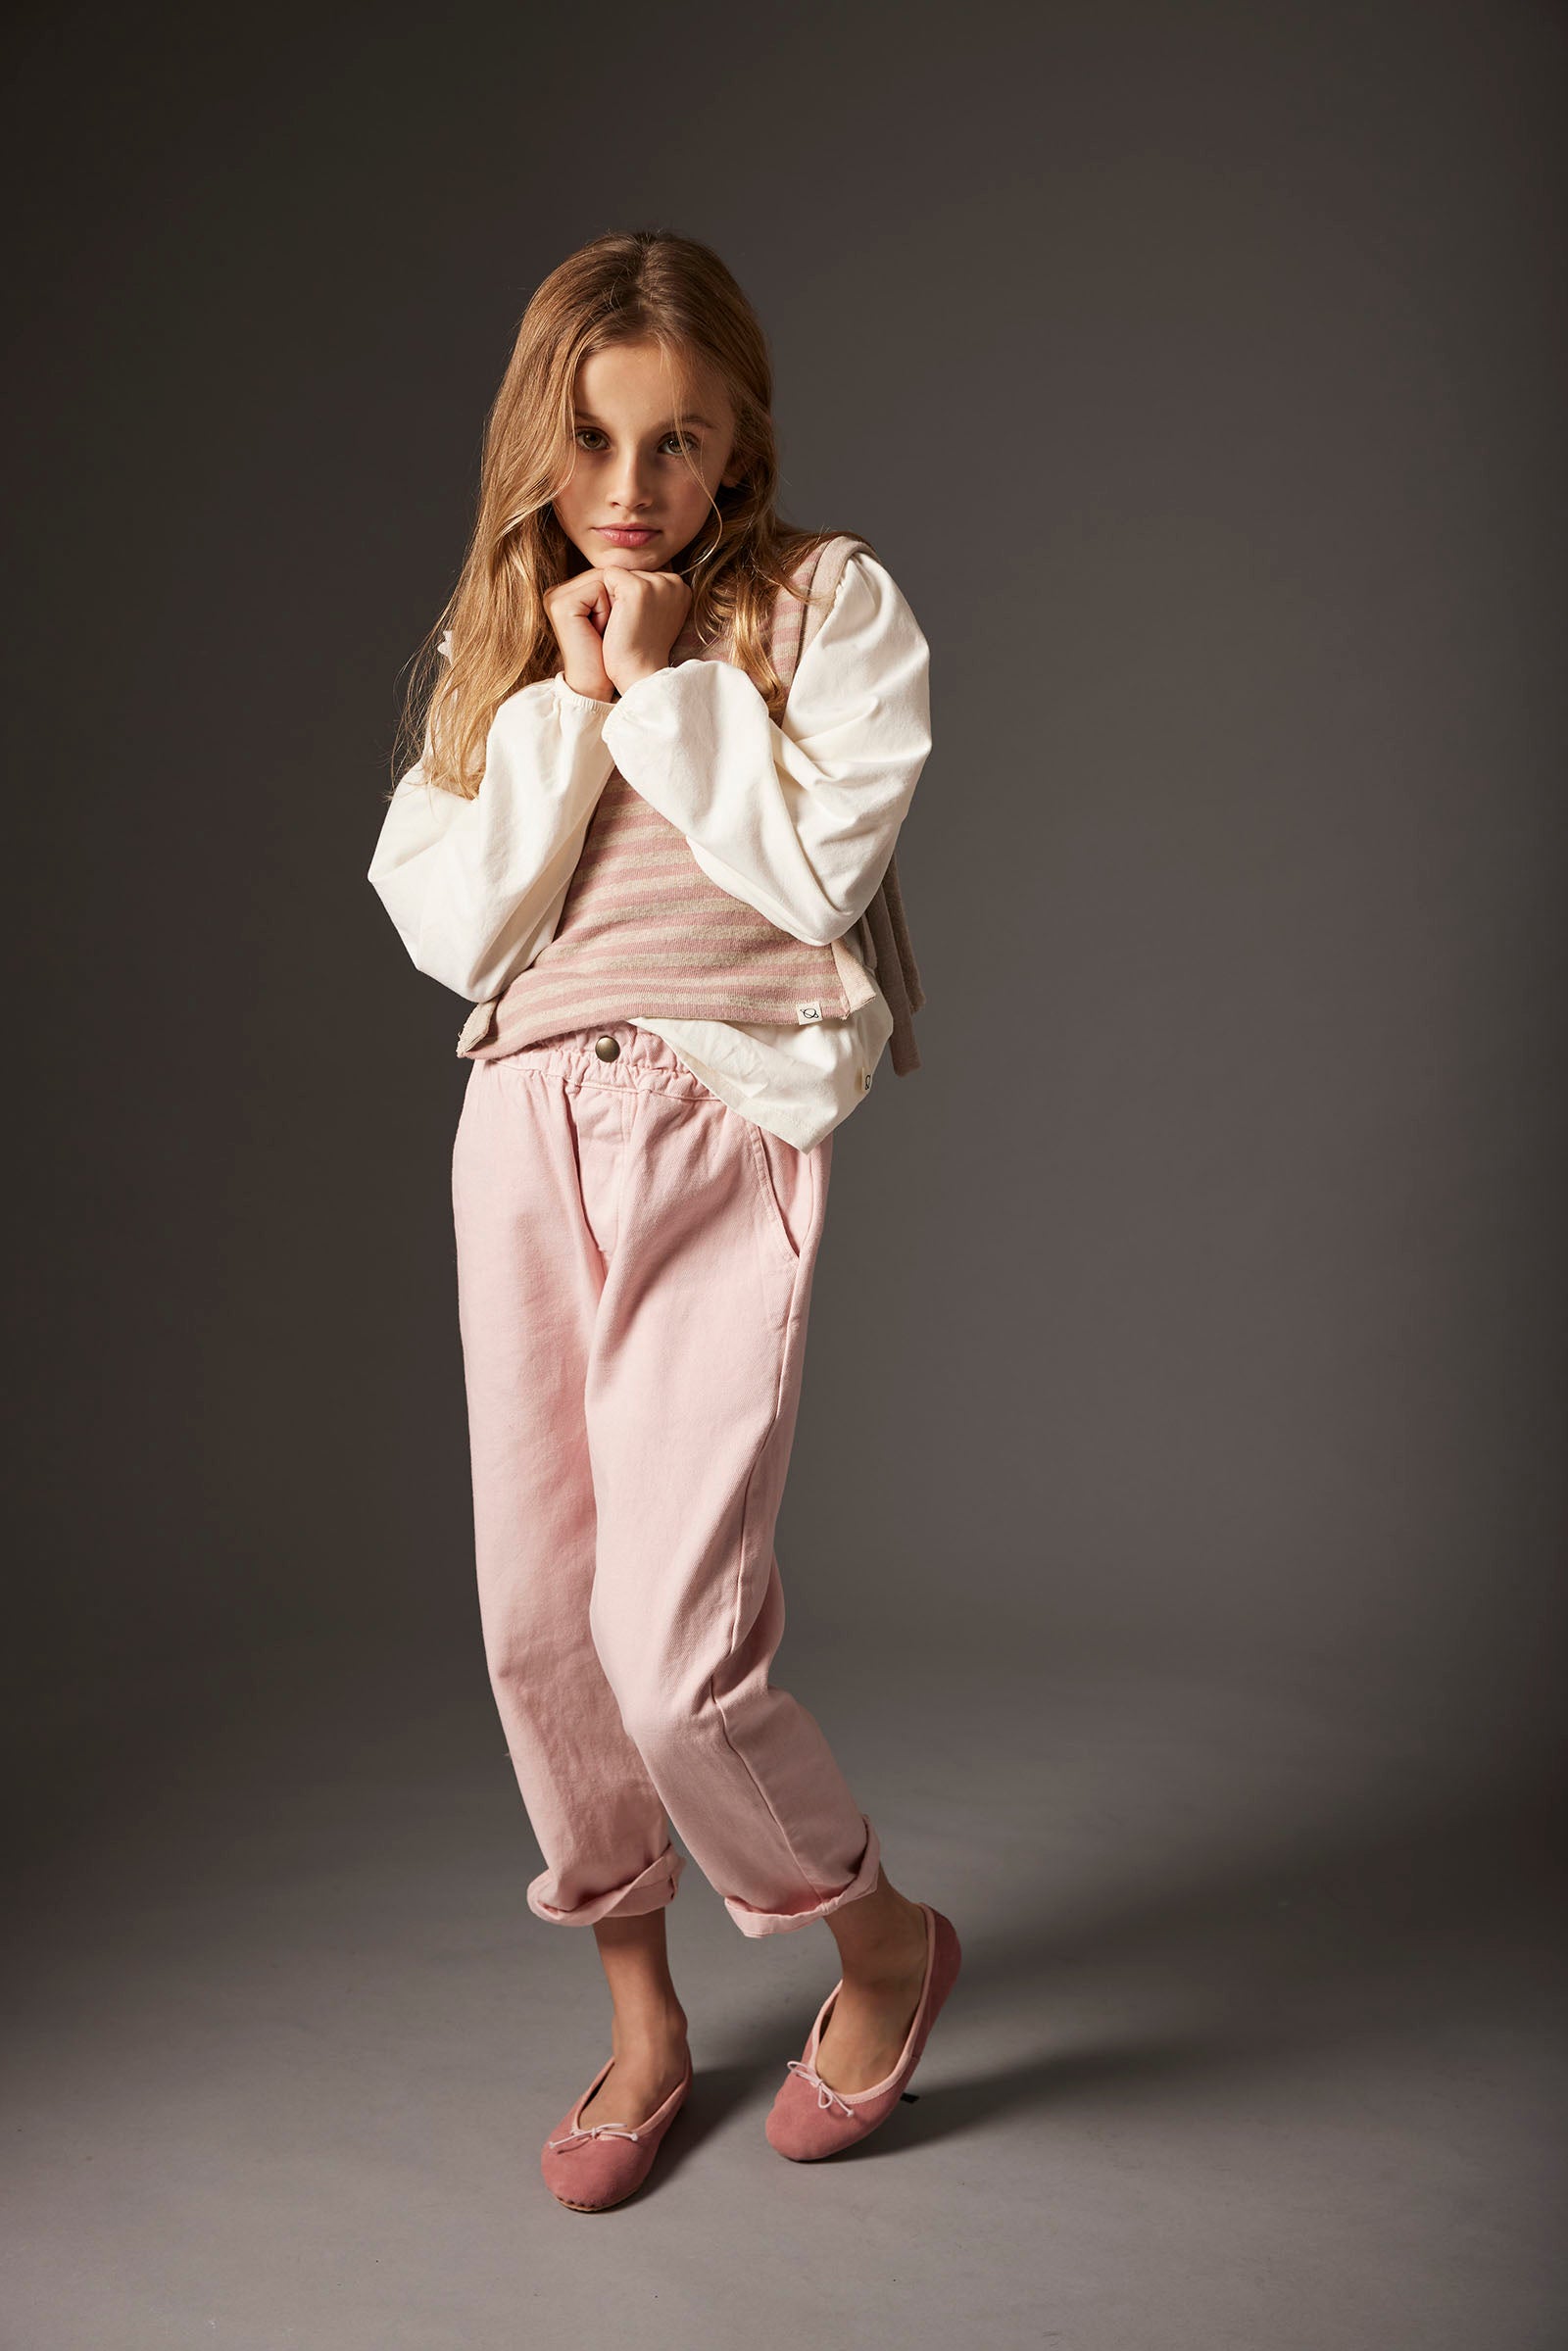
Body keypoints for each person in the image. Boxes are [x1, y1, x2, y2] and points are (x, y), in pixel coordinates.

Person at [368, 229, 960, 2210]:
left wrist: (659, 687)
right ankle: (640, 2018)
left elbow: (811, 873)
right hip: (525, 1124)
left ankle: (880, 1940)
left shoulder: (821, 606)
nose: (631, 487)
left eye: (678, 441)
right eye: (595, 440)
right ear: (537, 445)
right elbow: (454, 925)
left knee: (673, 1648)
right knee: (537, 1624)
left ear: (738, 446)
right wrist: (565, 691)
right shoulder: (501, 643)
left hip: (717, 1120)